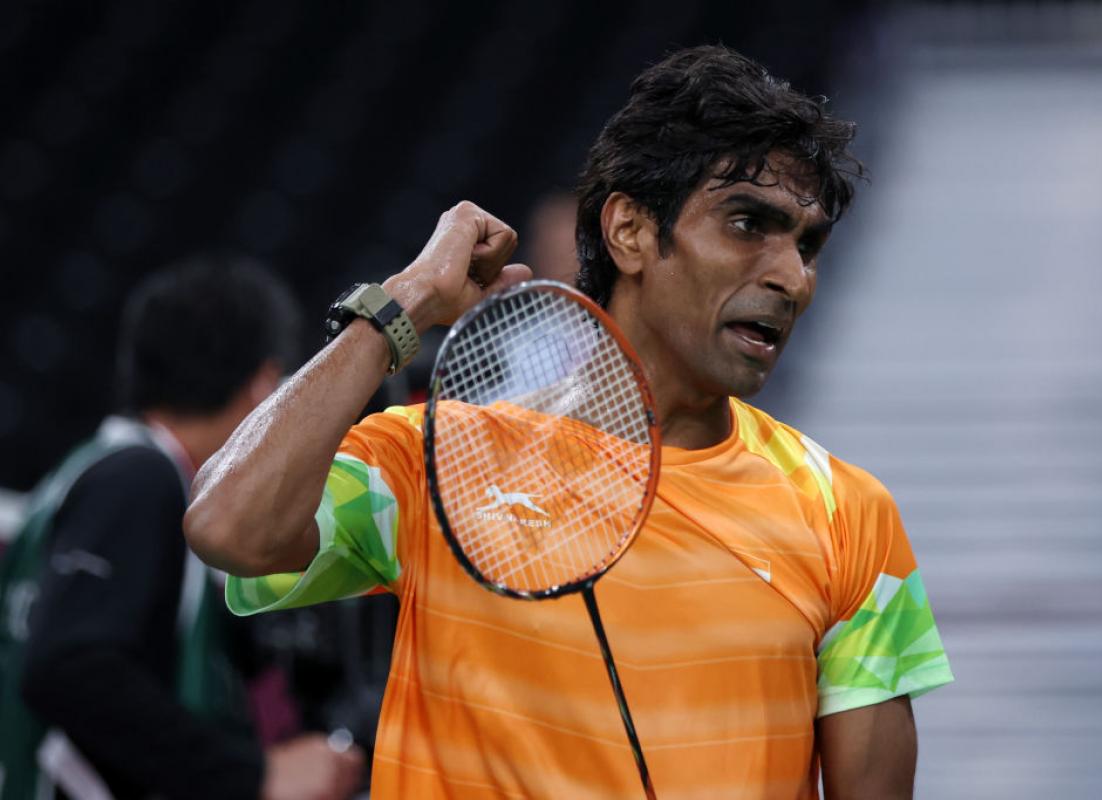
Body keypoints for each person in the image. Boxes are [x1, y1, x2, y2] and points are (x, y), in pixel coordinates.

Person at [185, 46, 954, 798]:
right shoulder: (438, 459)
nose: (793, 277)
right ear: (630, 232)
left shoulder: (847, 514)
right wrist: (403, 304)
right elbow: (227, 527)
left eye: (809, 244)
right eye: (749, 224)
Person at [0, 257, 364, 800]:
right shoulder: (140, 478)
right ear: (266, 387)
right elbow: (70, 667)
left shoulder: (99, 464)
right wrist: (251, 776)